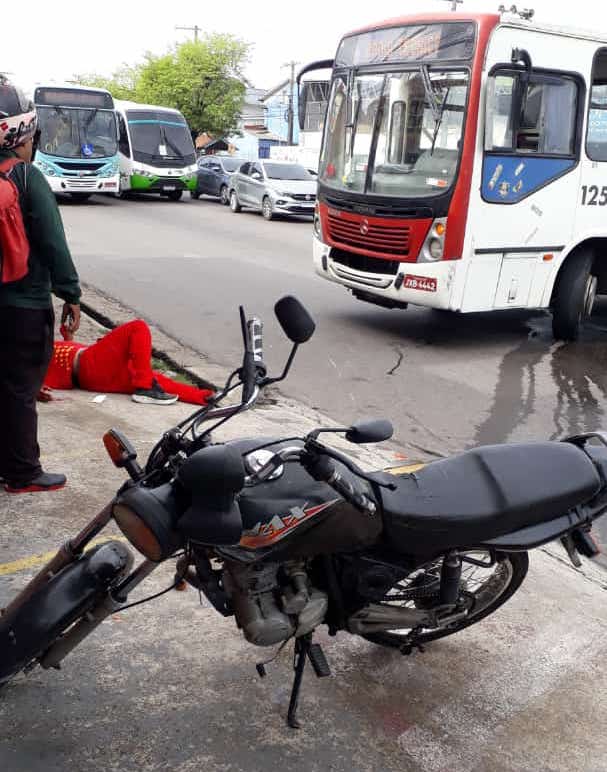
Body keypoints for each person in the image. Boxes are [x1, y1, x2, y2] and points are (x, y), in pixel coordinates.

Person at [0, 76, 81, 495]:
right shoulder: (28, 180)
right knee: (19, 389)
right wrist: (71, 294)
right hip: (23, 305)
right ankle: (23, 472)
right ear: (20, 134)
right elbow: (53, 243)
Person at [41, 319, 215, 407]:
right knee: (137, 327)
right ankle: (145, 389)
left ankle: (204, 397)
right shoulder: (19, 361)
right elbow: (19, 379)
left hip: (92, 375)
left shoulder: (29, 348)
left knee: (154, 379)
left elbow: (56, 361)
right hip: (89, 365)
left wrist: (68, 337)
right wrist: (36, 390)